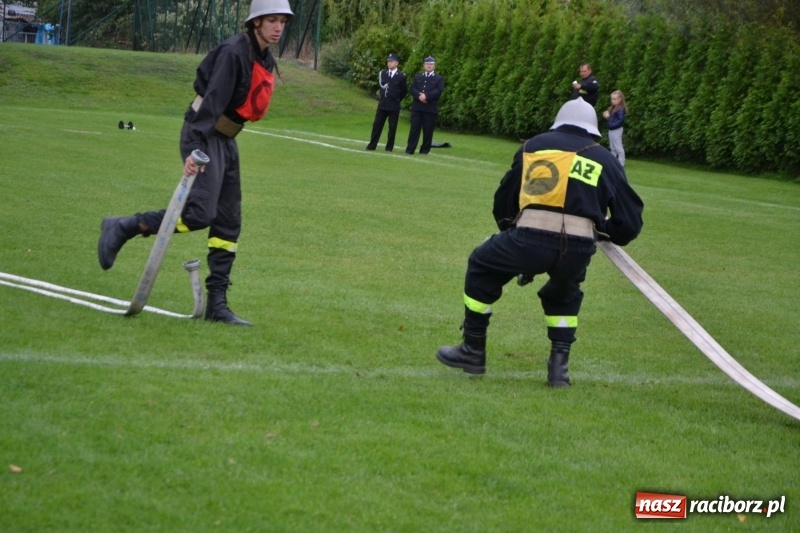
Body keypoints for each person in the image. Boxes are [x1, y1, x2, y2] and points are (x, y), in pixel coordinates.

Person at [97, 0, 294, 327]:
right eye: (271, 20)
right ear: (255, 22)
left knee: (228, 223)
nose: (278, 28)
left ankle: (217, 304)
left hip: (227, 141)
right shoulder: (235, 53)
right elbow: (209, 105)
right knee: (200, 213)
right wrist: (193, 151)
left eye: (282, 22)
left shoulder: (263, 57)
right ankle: (127, 226)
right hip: (204, 135)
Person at [436, 98, 644, 387]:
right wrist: (604, 230)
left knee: (482, 264)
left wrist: (512, 232)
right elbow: (629, 222)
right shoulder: (606, 160)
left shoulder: (533, 147)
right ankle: (559, 368)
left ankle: (472, 349)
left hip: (528, 239)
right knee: (564, 292)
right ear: (594, 132)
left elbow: (505, 200)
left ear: (558, 123)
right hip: (578, 248)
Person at [365, 53, 408, 152]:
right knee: (377, 125)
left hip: (394, 105)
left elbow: (404, 91)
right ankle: (372, 145)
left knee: (392, 127)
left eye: (391, 61)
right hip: (383, 104)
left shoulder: (401, 76)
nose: (389, 63)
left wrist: (396, 99)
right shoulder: (383, 73)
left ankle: (389, 147)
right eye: (388, 61)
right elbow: (381, 87)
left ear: (397, 63)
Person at [405, 56, 445, 155]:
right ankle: (410, 149)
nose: (429, 66)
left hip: (430, 108)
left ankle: (424, 150)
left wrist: (426, 96)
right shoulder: (418, 76)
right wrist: (419, 96)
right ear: (424, 65)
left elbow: (438, 91)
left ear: (434, 66)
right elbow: (412, 88)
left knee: (428, 131)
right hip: (417, 107)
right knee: (414, 130)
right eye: (427, 64)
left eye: (431, 64)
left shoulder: (439, 78)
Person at [603, 90, 627, 166]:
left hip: (616, 129)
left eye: (614, 99)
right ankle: (612, 162)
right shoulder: (612, 108)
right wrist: (606, 115)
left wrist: (609, 119)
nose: (612, 101)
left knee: (618, 147)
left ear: (620, 99)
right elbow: (608, 116)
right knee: (612, 147)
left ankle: (621, 163)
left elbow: (620, 120)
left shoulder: (620, 109)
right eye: (612, 99)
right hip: (612, 129)